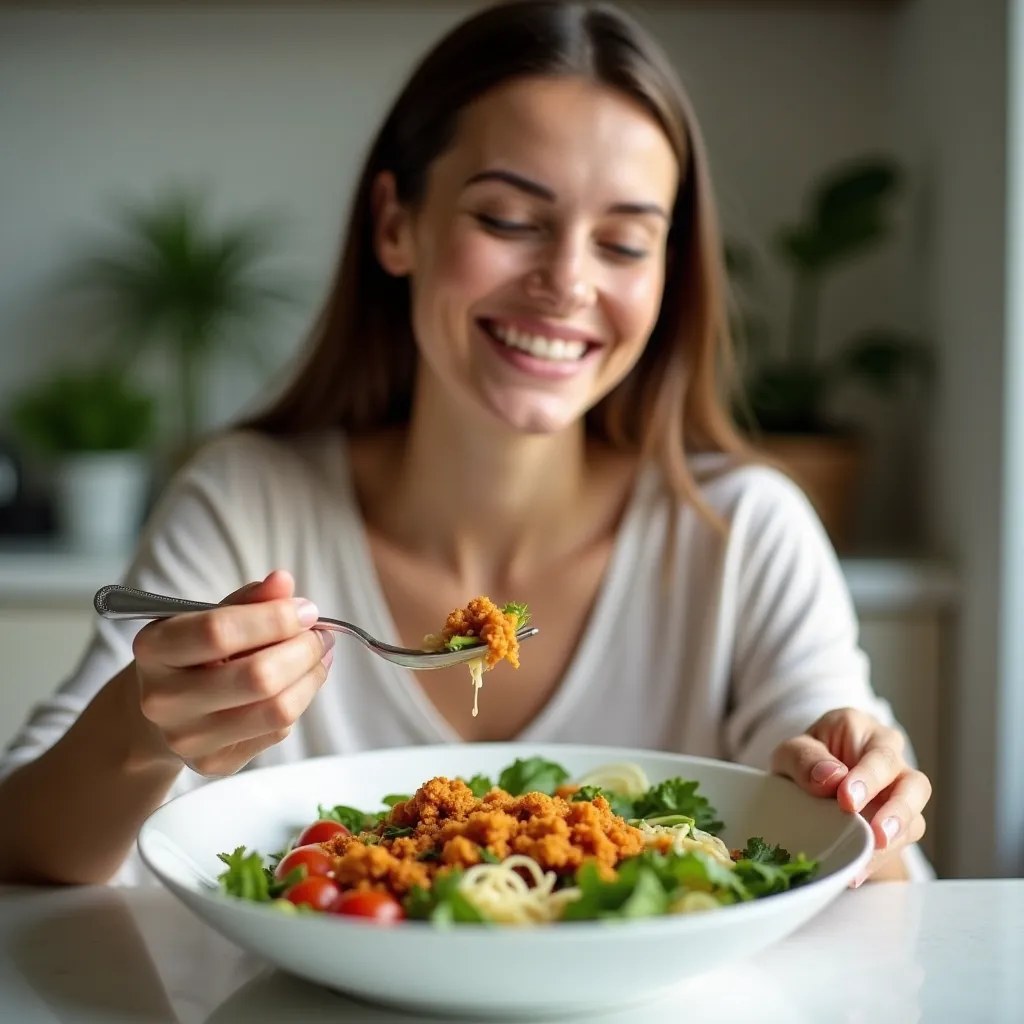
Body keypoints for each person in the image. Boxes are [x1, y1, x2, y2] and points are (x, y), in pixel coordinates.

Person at [0, 0, 931, 887]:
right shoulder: (249, 501)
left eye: (623, 242)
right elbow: (24, 849)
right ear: (395, 224)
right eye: (508, 220)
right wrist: (142, 729)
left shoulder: (743, 531)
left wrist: (855, 800)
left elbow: (891, 895)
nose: (566, 282)